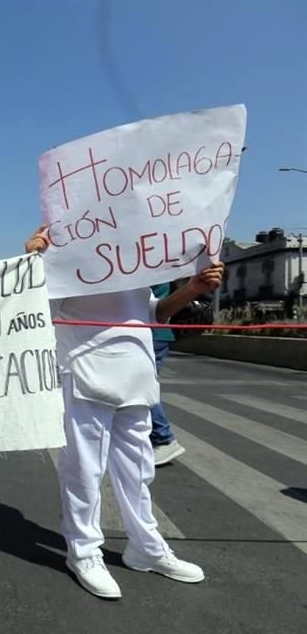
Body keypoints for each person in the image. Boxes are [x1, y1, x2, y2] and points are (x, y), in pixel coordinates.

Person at [25, 225, 224, 599]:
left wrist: (193, 288)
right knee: (84, 468)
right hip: (85, 371)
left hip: (135, 373)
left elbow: (153, 312)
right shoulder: (63, 248)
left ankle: (145, 547)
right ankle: (83, 552)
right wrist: (36, 259)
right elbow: (36, 307)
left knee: (138, 469)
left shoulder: (134, 256)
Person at [148, 282, 185, 466]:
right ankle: (157, 437)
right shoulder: (160, 270)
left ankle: (164, 439)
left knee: (142, 388)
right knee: (143, 387)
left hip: (152, 335)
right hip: (156, 334)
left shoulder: (147, 272)